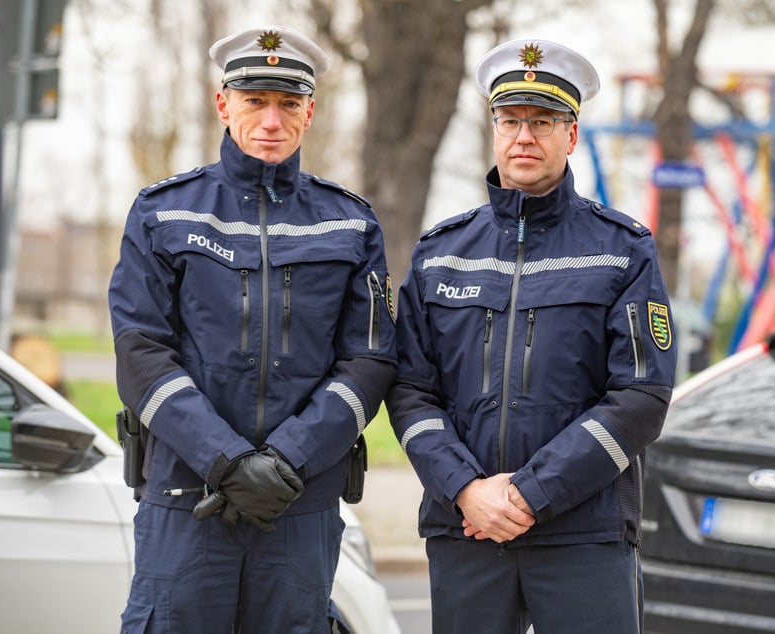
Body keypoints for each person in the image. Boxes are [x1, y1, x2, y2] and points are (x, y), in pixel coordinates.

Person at [108, 25, 396, 633]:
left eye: (288, 103)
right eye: (254, 100)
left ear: (309, 112)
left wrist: (288, 460)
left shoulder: (351, 225)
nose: (271, 119)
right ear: (224, 104)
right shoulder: (163, 212)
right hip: (188, 500)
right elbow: (141, 352)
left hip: (299, 505)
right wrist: (229, 462)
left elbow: (369, 361)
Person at [385, 38, 678, 634]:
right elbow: (411, 392)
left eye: (542, 121)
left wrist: (527, 495)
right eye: (511, 120)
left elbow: (641, 399)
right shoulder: (441, 255)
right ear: (494, 129)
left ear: (570, 135)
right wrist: (466, 489)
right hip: (466, 530)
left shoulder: (621, 250)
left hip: (583, 532)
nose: (524, 137)